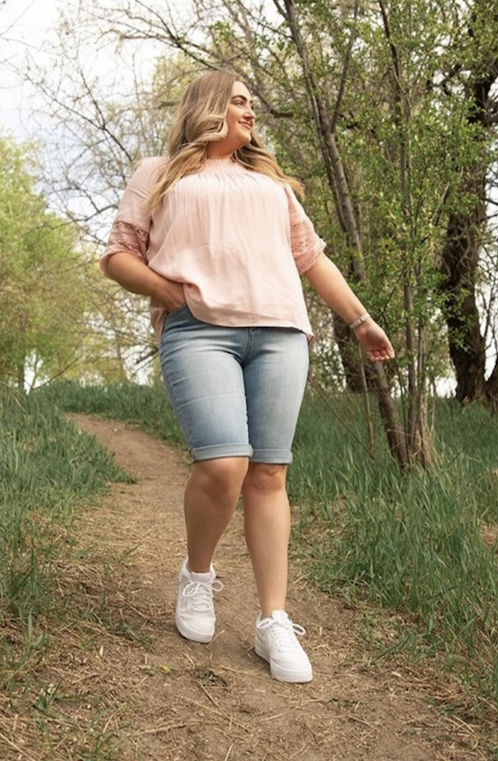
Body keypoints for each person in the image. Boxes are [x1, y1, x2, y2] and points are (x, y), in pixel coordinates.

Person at [100, 70, 394, 684]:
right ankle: (198, 577)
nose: (249, 111)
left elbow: (312, 258)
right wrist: (167, 293)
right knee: (224, 464)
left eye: (251, 104)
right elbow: (119, 253)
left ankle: (273, 620)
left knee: (268, 471)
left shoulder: (269, 182)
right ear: (207, 106)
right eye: (238, 101)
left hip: (281, 334)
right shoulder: (159, 172)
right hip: (199, 331)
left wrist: (361, 320)